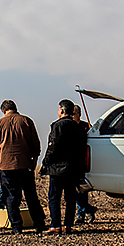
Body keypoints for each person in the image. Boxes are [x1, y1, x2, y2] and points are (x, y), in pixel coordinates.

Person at [0, 100, 46, 234]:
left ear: (3, 111)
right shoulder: (26, 121)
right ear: (15, 108)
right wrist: (34, 159)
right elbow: (35, 143)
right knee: (31, 195)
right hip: (25, 164)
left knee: (11, 196)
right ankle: (39, 224)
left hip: (6, 166)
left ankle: (16, 226)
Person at [40, 99, 88, 234]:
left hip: (57, 169)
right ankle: (68, 225)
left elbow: (52, 147)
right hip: (73, 168)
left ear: (61, 110)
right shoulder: (79, 128)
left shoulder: (57, 126)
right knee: (70, 198)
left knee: (54, 198)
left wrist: (45, 163)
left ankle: (55, 225)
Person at [72, 104, 97, 224]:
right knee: (73, 190)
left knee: (82, 189)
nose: (72, 116)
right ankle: (87, 210)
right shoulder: (69, 126)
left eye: (74, 114)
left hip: (83, 161)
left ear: (79, 114)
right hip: (71, 161)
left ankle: (81, 213)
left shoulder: (86, 127)